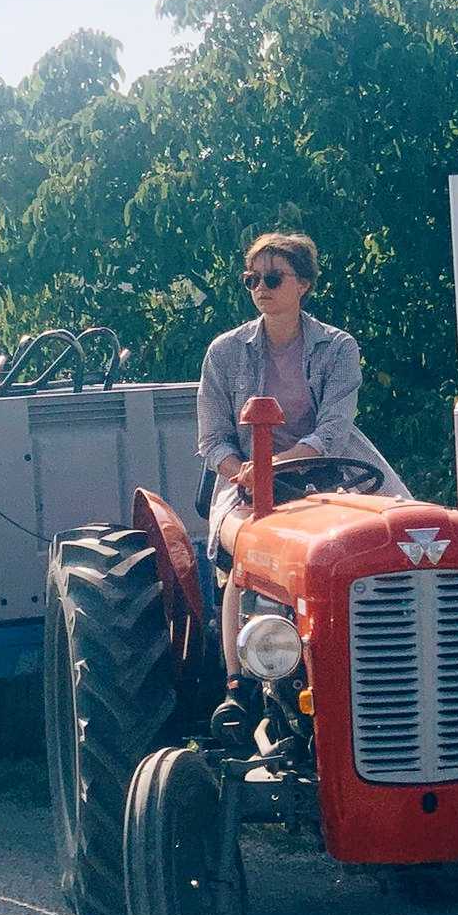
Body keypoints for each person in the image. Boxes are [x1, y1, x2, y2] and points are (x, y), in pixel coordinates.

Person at [196, 232, 407, 723]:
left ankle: (386, 656)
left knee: (408, 538)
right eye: (252, 279)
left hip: (333, 470)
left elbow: (334, 429)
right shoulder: (224, 353)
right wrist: (246, 473)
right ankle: (238, 685)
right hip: (247, 481)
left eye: (273, 277)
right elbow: (213, 442)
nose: (261, 288)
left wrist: (285, 460)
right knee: (243, 549)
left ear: (304, 284)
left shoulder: (337, 347)